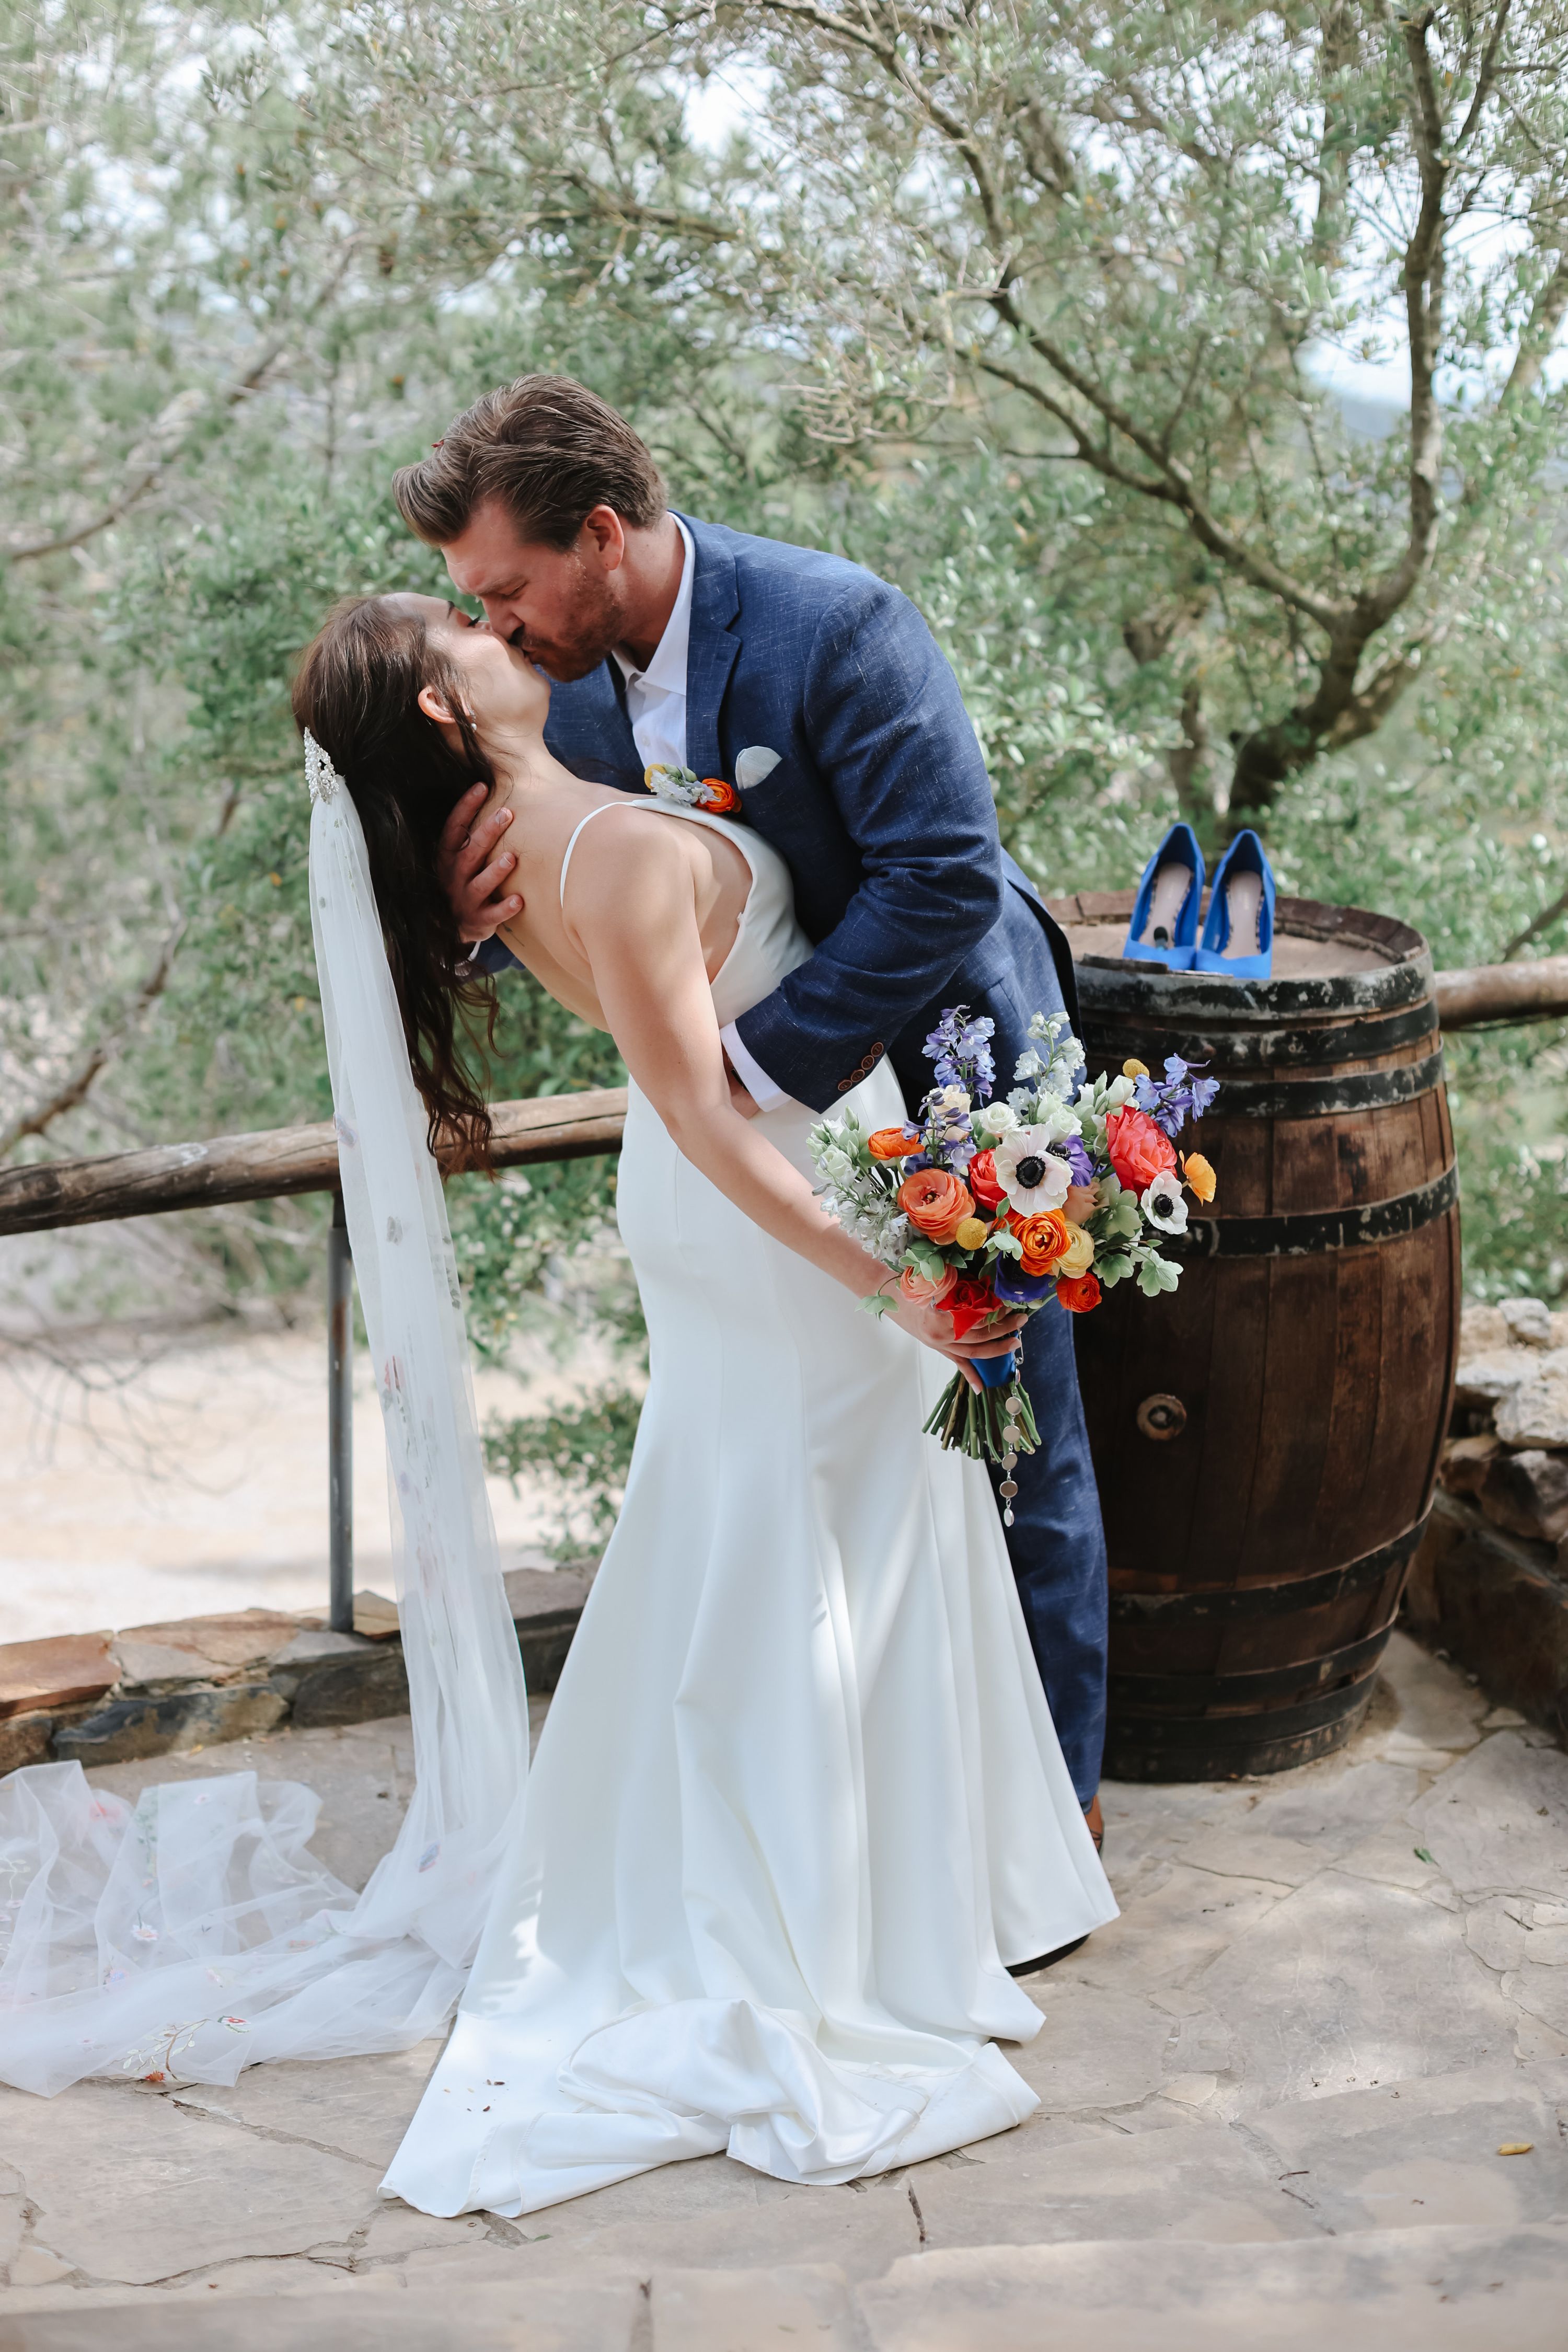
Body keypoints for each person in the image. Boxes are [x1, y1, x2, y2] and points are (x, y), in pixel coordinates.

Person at [285, 587, 1115, 2217]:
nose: (482, 619)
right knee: (800, 1557)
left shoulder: (524, 852)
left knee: (810, 1537)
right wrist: (903, 1283)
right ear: (449, 712)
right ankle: (818, 1919)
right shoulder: (620, 854)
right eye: (451, 625)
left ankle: (913, 1888)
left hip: (768, 1209)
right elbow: (717, 1116)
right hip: (784, 1221)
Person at [394, 374, 1110, 1854]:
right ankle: (860, 1811)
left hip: (954, 1054)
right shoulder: (554, 680)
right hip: (775, 1122)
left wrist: (753, 1069)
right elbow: (576, 856)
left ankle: (1056, 1806)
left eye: (506, 588)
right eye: (474, 600)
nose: (494, 624)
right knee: (816, 1445)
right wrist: (474, 922)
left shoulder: (835, 624)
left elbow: (943, 877)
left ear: (601, 533)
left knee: (1006, 1416)